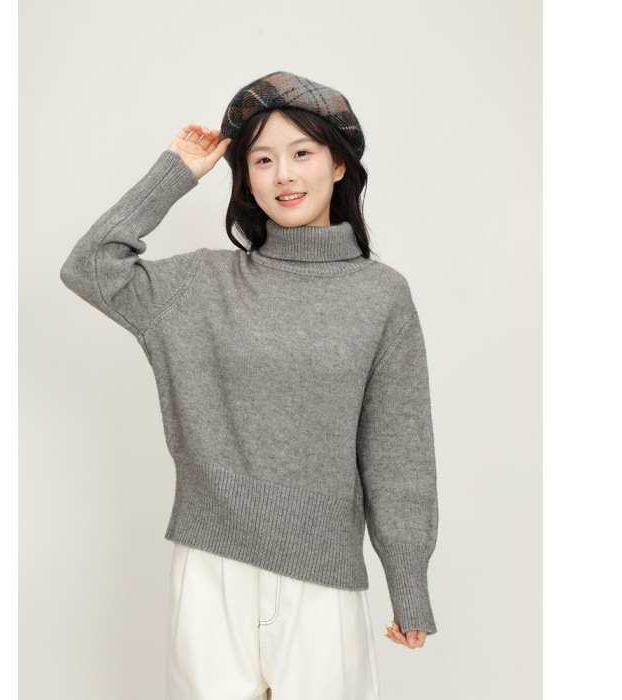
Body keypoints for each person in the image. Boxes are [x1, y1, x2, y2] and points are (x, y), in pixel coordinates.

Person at [60, 71, 439, 700]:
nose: (283, 175)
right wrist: (176, 172)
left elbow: (398, 451)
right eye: (262, 160)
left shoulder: (381, 295)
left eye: (302, 153)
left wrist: (408, 581)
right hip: (211, 569)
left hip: (322, 578)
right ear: (245, 179)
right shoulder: (200, 285)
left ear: (339, 166)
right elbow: (90, 266)